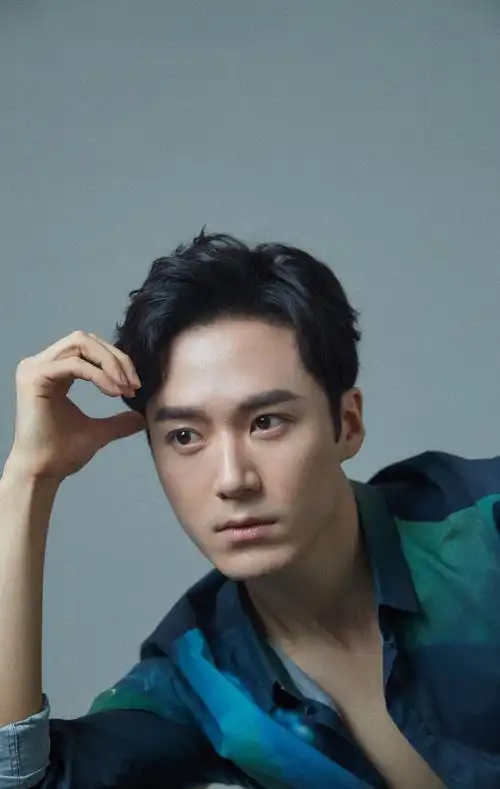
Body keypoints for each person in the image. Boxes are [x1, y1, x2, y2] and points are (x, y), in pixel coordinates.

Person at [0, 231, 498, 789]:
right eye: (185, 436)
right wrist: (27, 482)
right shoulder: (199, 681)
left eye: (266, 422)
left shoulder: (483, 528)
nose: (233, 479)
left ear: (347, 424)